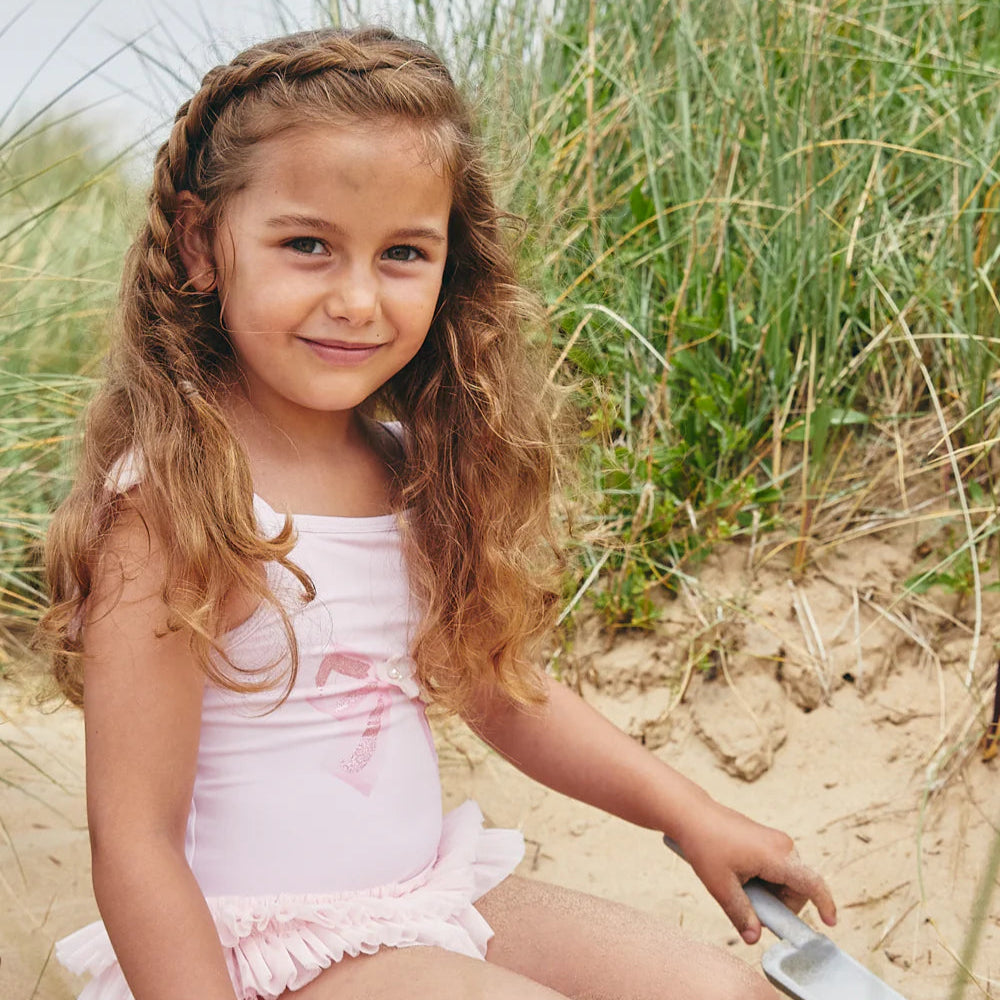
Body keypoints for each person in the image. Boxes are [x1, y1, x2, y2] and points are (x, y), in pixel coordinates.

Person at [39, 25, 836, 1000]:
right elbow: (135, 836)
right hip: (261, 950)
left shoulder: (406, 469)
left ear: (449, 263)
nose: (359, 299)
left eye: (403, 253)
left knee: (726, 991)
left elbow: (499, 690)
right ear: (204, 243)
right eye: (307, 246)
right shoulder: (170, 503)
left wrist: (691, 813)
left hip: (426, 896)